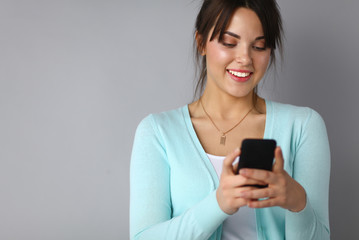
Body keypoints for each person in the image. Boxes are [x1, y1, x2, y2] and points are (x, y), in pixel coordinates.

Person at [130, 0, 330, 239]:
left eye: (259, 46)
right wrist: (219, 204)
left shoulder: (303, 126)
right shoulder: (158, 132)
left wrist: (297, 201)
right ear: (201, 42)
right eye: (229, 42)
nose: (245, 58)